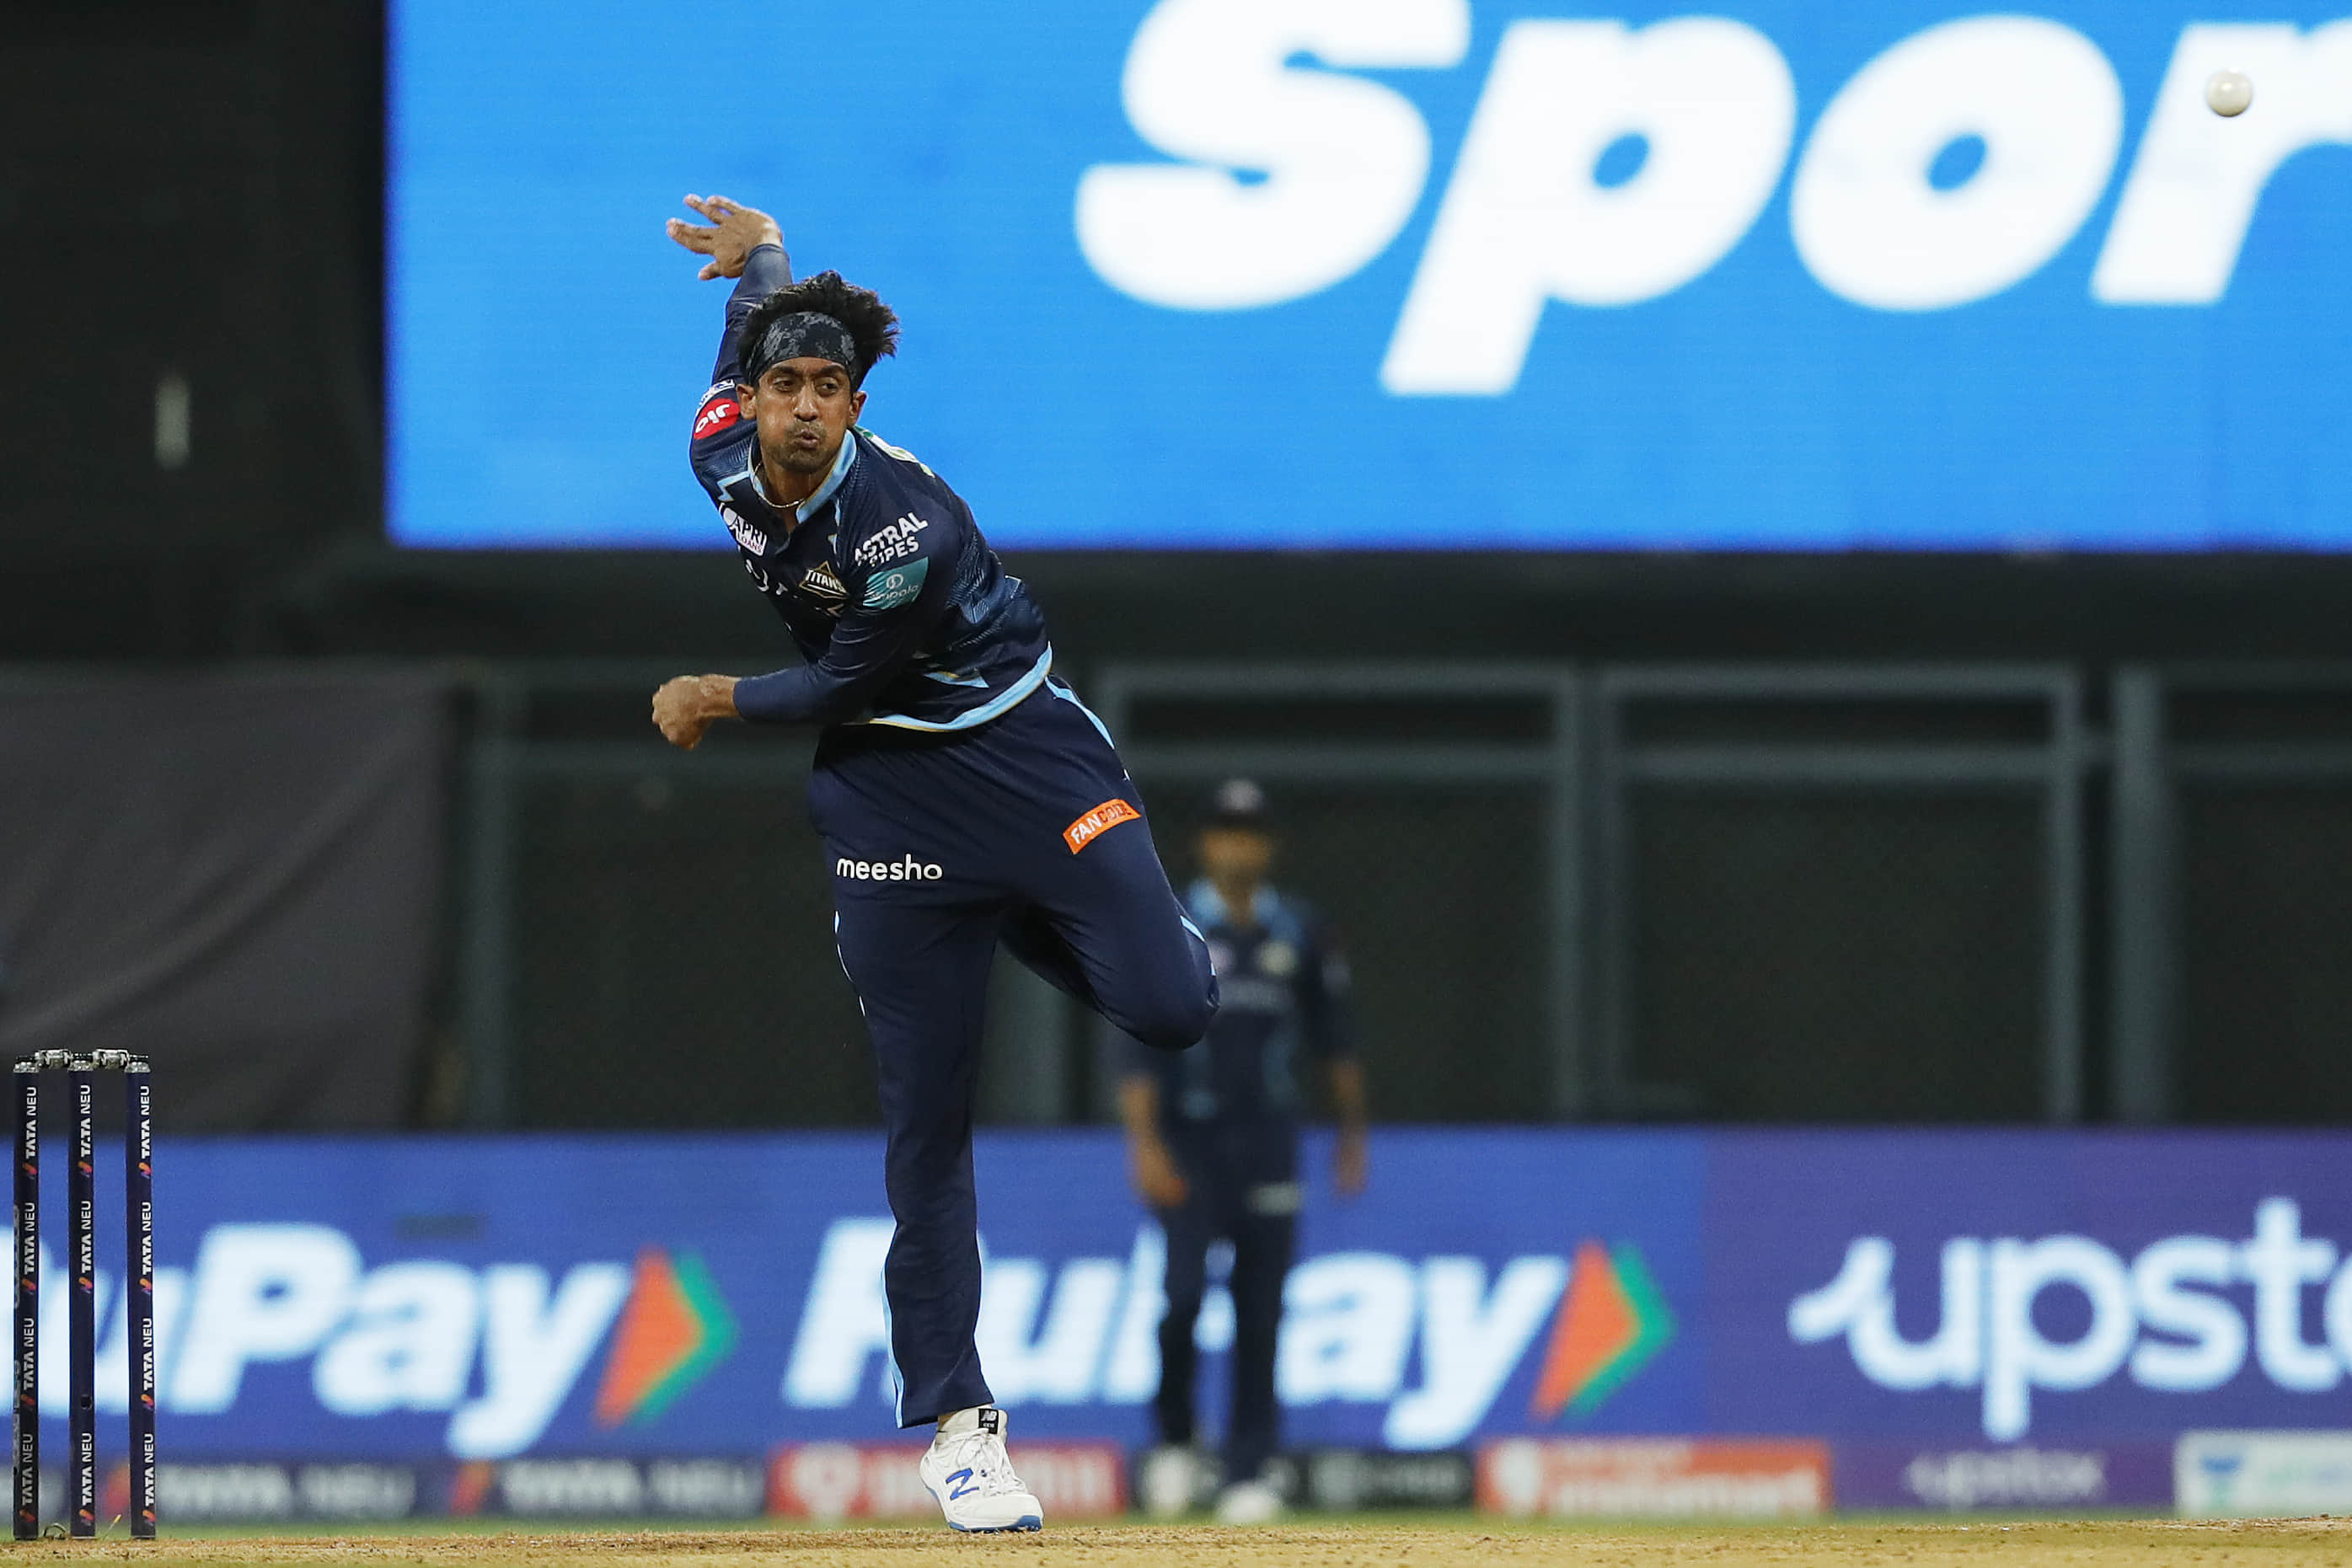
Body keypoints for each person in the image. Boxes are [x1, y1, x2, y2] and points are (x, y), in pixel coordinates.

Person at [650, 195, 1218, 1534]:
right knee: (924, 1119)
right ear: (753, 399)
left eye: (828, 390)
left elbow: (841, 680)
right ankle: (961, 1430)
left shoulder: (898, 528)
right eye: (785, 385)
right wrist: (767, 255)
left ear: (856, 407)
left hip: (1021, 755)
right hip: (890, 801)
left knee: (1172, 1009)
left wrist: (713, 696)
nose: (802, 408)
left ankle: (1034, 908)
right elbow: (745, 331)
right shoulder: (717, 442)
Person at [1119, 778, 1368, 1525]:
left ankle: (1249, 1467)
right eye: (1226, 831)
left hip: (1269, 1141)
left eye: (1251, 832)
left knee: (1261, 1311)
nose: (1239, 847)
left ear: (1268, 846)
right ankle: (1174, 1443)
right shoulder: (1170, 922)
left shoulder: (1299, 931)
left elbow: (1334, 1038)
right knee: (1182, 1299)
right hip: (1189, 1142)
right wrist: (1144, 1143)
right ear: (1205, 842)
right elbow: (1136, 1042)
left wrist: (1351, 1133)